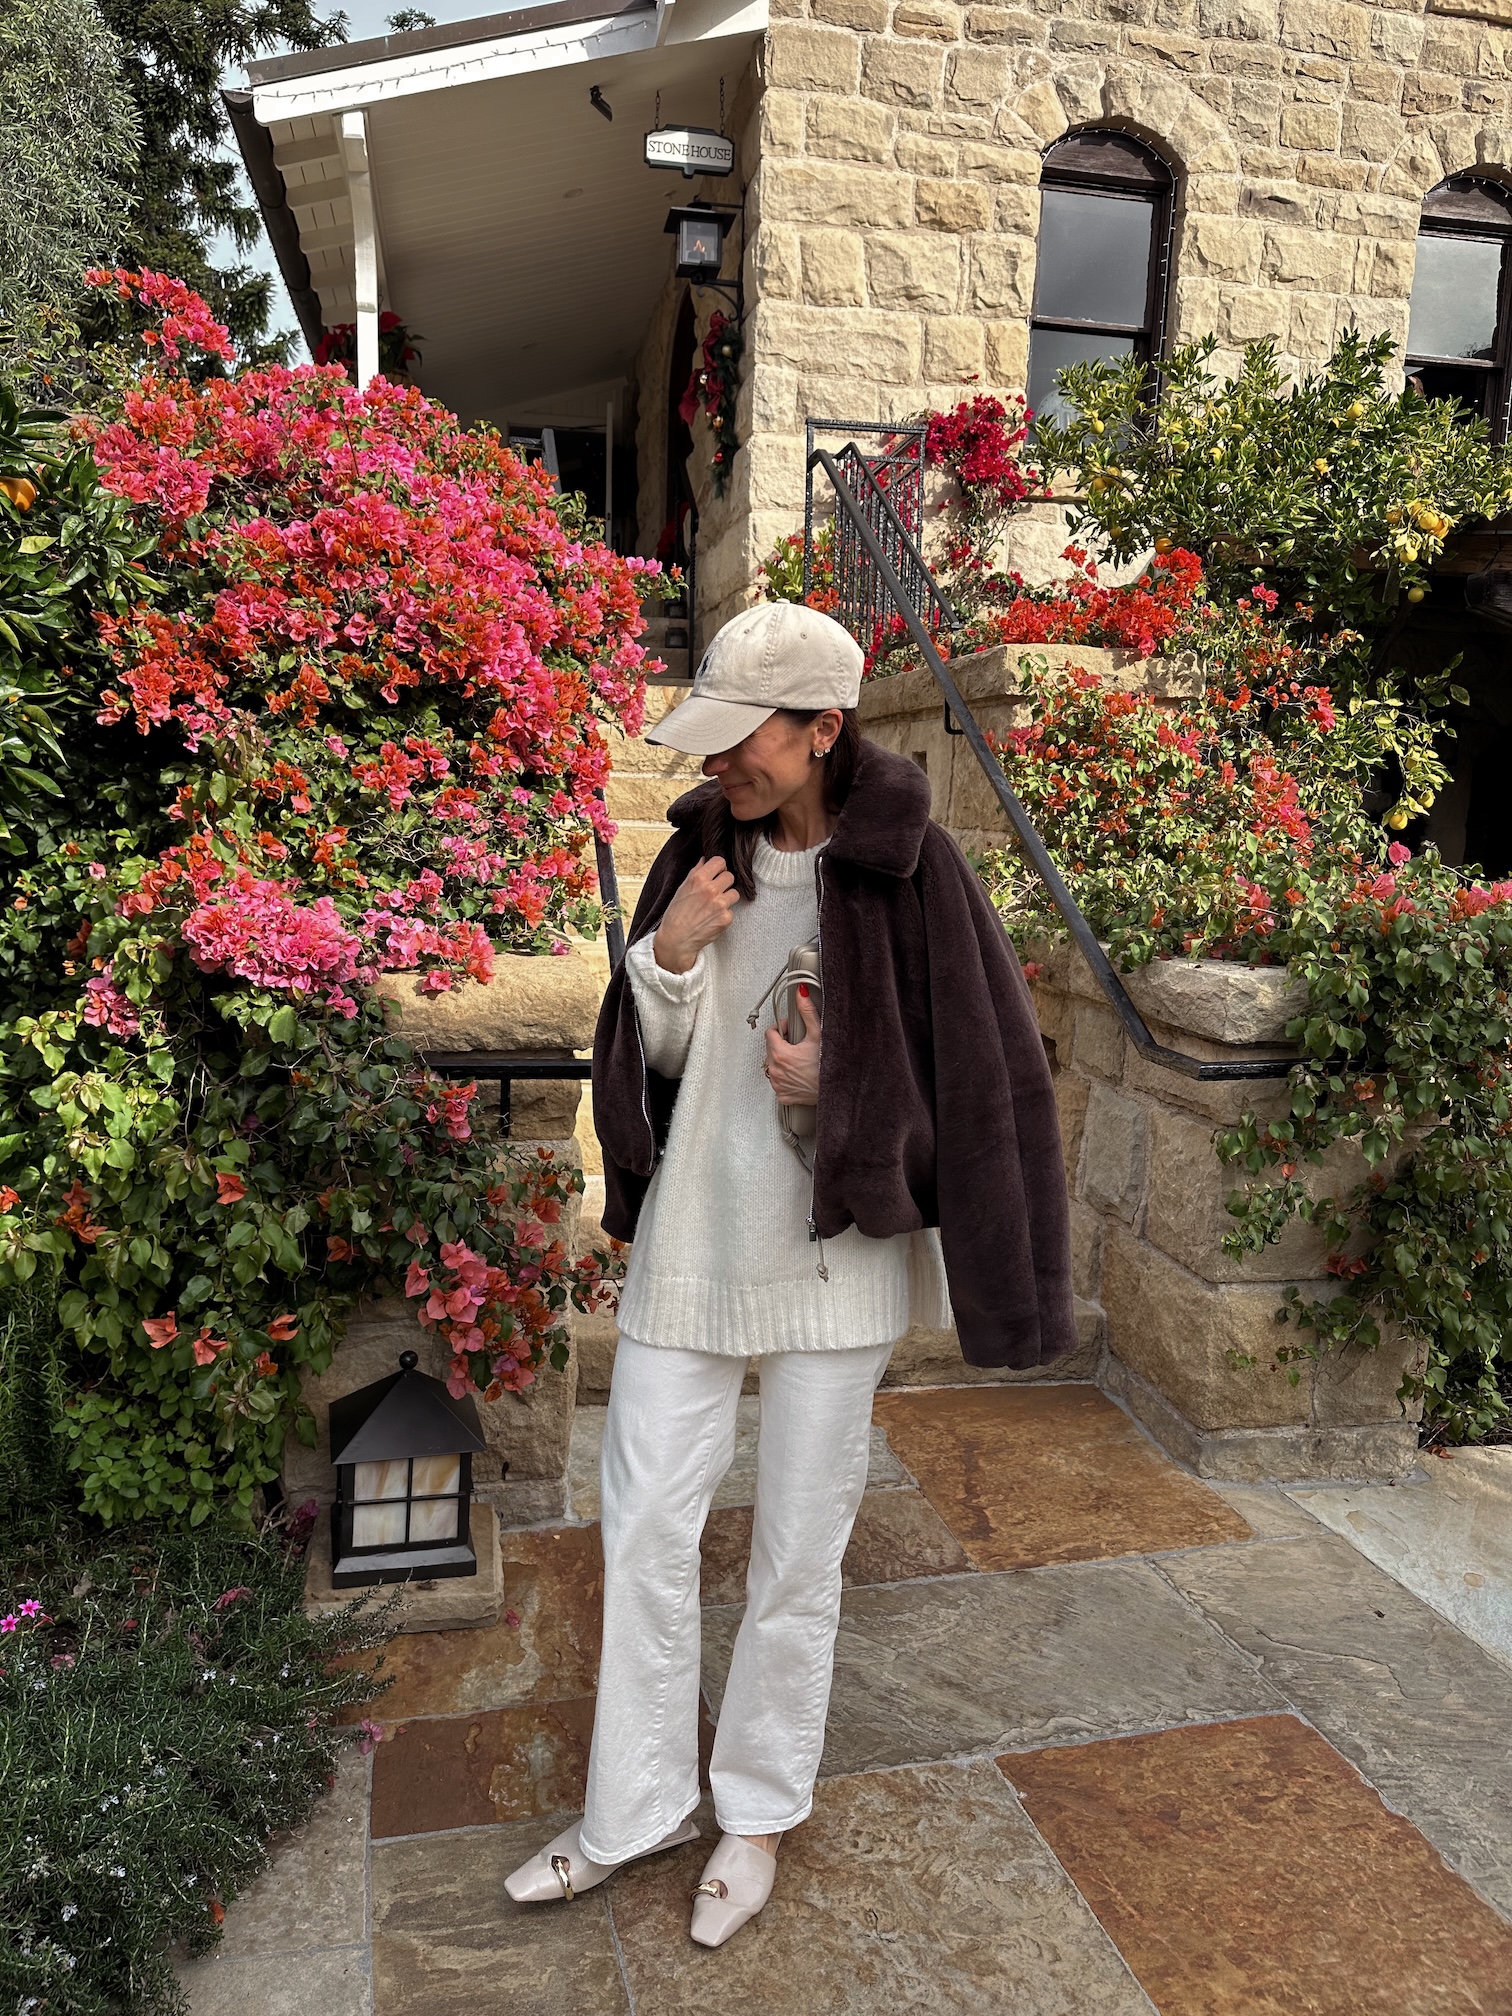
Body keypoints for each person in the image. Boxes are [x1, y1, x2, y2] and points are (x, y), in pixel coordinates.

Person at [504, 600, 1074, 1945]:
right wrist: (669, 957)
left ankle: (755, 1814)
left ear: (824, 729)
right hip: (698, 1237)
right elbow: (649, 1062)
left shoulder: (912, 865)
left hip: (837, 1256)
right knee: (644, 1527)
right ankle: (632, 1809)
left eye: (743, 738)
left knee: (798, 1551)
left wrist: (846, 1080)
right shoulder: (698, 851)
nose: (719, 764)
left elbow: (984, 1070)